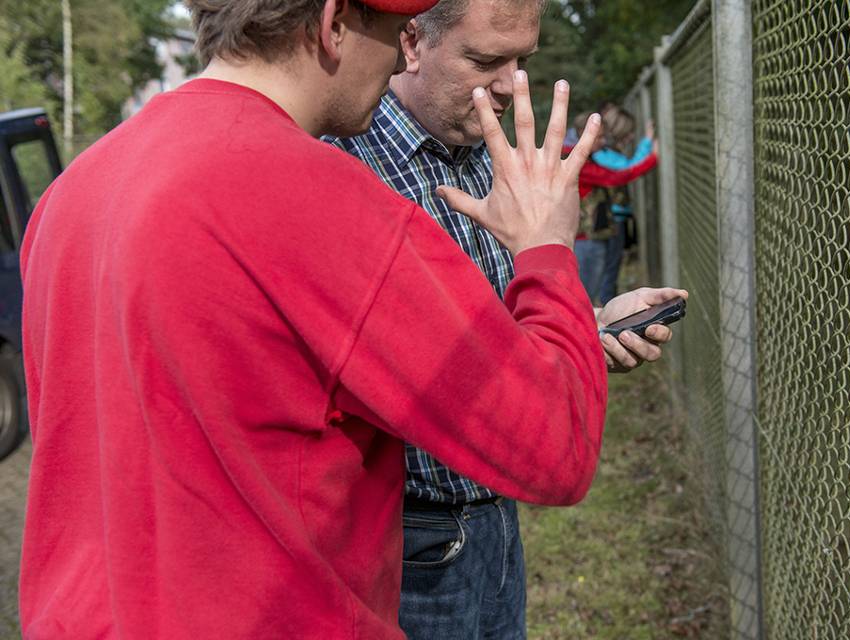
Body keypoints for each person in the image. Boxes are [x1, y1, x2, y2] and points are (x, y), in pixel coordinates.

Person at [16, 0, 627, 637]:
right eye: (390, 33)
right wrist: (545, 247)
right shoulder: (325, 202)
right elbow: (553, 445)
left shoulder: (71, 195)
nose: (398, 61)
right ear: (333, 24)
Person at [326, 2, 685, 638]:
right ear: (411, 40)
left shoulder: (494, 152)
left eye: (523, 61)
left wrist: (587, 322)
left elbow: (494, 326)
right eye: (485, 59)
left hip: (495, 520)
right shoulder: (343, 164)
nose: (511, 84)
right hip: (406, 539)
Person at [569, 108, 659, 304]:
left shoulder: (585, 157)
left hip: (595, 231)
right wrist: (653, 157)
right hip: (589, 236)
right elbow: (617, 176)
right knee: (589, 293)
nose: (603, 142)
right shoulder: (578, 160)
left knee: (601, 280)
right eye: (599, 137)